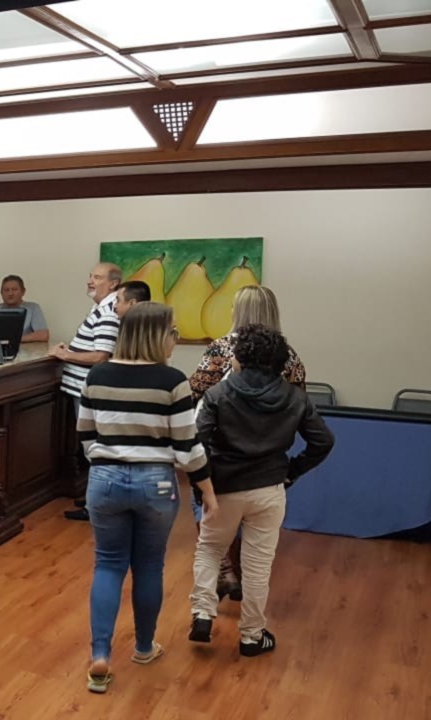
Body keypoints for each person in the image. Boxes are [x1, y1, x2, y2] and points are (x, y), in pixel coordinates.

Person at [78, 302, 218, 693]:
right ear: (157, 335)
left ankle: (100, 653)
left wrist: (106, 462)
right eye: (173, 332)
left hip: (104, 479)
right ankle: (143, 647)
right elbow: (188, 446)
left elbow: (85, 433)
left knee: (108, 565)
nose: (175, 339)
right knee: (149, 566)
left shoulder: (97, 375)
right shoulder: (172, 381)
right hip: (156, 482)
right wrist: (207, 490)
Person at [189, 324, 334, 657]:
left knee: (210, 550)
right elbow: (324, 441)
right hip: (269, 490)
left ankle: (203, 614)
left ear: (238, 359)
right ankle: (252, 637)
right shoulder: (296, 398)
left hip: (224, 489)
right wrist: (292, 471)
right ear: (280, 363)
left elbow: (196, 444)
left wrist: (203, 484)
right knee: (257, 566)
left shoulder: (217, 394)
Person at [187, 285, 306, 599]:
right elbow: (299, 401)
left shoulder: (221, 348)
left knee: (207, 504)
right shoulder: (289, 356)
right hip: (269, 453)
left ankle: (224, 569)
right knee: (255, 517)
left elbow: (196, 389)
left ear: (239, 311)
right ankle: (242, 575)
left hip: (223, 450)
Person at [48, 262, 122, 521]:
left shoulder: (108, 313)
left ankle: (97, 506)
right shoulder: (100, 308)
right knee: (91, 448)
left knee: (94, 449)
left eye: (97, 277)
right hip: (84, 390)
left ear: (113, 284)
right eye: (90, 276)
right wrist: (71, 350)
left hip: (89, 392)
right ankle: (94, 498)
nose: (90, 281)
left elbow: (101, 356)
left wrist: (65, 355)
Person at [0, 274, 49, 343]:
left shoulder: (33, 308)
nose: (10, 293)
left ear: (23, 291)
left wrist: (14, 339)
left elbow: (43, 335)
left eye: (14, 289)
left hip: (25, 348)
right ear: (1, 293)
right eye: (6, 290)